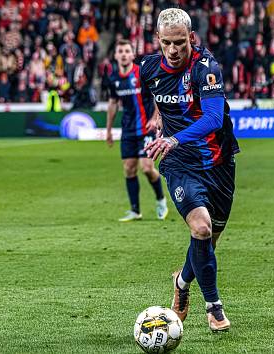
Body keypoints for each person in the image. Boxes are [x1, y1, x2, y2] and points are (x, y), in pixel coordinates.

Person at [141, 9, 240, 332]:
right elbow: (147, 99)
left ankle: (181, 283)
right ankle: (214, 307)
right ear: (158, 40)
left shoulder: (205, 68)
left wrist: (173, 137)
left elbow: (213, 118)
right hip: (179, 163)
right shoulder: (148, 69)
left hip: (218, 162)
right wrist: (155, 121)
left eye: (180, 42)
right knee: (200, 229)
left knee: (208, 242)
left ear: (191, 38)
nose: (173, 49)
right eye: (167, 43)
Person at [106, 39, 168, 222]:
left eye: (127, 51)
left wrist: (155, 118)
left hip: (146, 128)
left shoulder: (141, 74)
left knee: (147, 168)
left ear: (133, 54)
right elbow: (112, 104)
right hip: (128, 130)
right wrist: (109, 130)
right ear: (116, 55)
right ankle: (135, 210)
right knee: (129, 169)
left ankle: (161, 200)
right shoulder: (114, 79)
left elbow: (156, 96)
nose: (124, 54)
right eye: (120, 51)